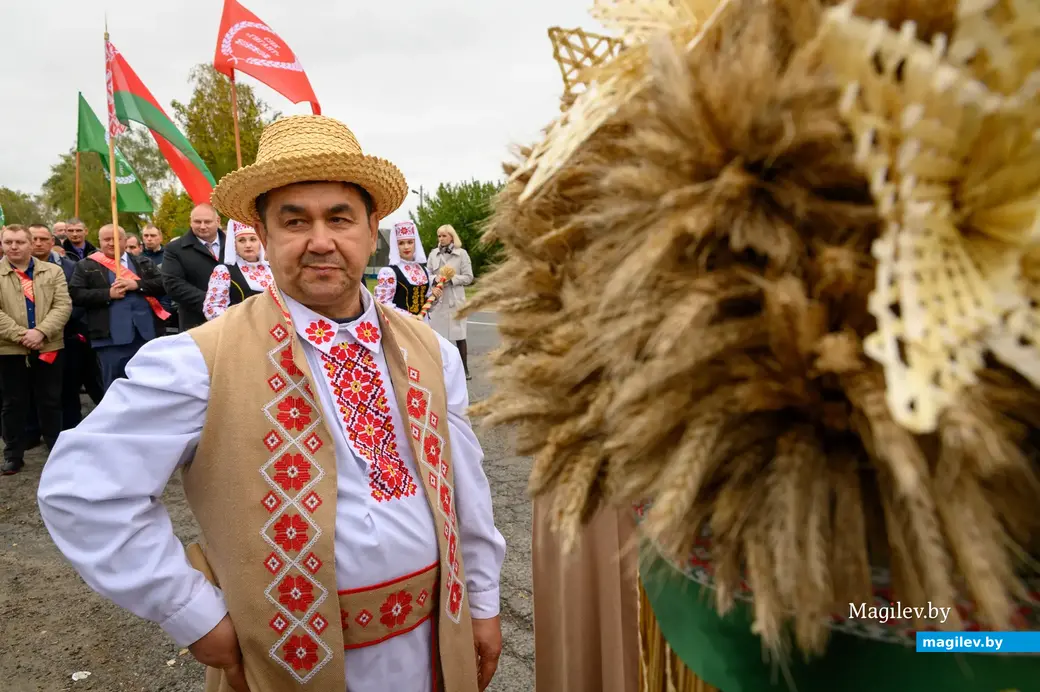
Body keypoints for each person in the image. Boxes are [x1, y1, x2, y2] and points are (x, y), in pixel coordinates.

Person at [39, 114, 506, 692]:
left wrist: (483, 600)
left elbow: (468, 492)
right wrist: (192, 613)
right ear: (262, 234)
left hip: (433, 644)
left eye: (340, 218)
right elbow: (83, 489)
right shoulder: (197, 360)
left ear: (371, 228)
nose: (320, 241)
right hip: (288, 669)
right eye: (294, 221)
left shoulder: (430, 348)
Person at [0, 225, 71, 475]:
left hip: (48, 346)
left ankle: (56, 452)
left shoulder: (53, 271)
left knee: (50, 401)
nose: (13, 247)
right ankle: (13, 455)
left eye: (19, 242)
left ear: (31, 244)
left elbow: (62, 306)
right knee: (13, 403)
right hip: (9, 350)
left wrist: (41, 332)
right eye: (8, 242)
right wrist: (22, 335)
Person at [69, 225, 168, 391]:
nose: (111, 243)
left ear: (124, 240)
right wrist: (108, 294)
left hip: (144, 335)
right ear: (99, 242)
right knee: (115, 388)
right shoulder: (86, 266)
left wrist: (136, 284)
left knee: (147, 386)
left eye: (115, 239)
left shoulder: (142, 262)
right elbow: (76, 294)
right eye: (106, 239)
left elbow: (163, 284)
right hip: (109, 338)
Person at [29, 224, 103, 428]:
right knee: (30, 390)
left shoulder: (71, 267)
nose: (38, 243)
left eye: (43, 239)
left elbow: (77, 300)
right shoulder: (16, 269)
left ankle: (70, 429)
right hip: (27, 337)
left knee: (68, 388)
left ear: (52, 242)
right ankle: (33, 433)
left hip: (67, 335)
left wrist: (55, 325)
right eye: (34, 238)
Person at [161, 204, 226, 331]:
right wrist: (212, 303)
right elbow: (173, 285)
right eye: (197, 222)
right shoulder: (174, 249)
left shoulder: (234, 244)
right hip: (196, 323)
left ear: (218, 221)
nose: (202, 226)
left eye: (207, 221)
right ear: (190, 222)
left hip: (233, 317)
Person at [426, 224, 474, 379]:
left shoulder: (462, 254)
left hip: (455, 300)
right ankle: (439, 369)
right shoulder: (433, 254)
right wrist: (435, 279)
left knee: (459, 336)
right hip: (438, 300)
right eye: (439, 236)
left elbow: (469, 277)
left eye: (444, 235)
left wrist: (451, 279)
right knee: (437, 338)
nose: (441, 238)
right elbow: (426, 274)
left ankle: (464, 369)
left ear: (452, 237)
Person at [202, 219, 274, 321]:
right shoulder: (224, 271)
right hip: (240, 331)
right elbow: (212, 309)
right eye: (242, 240)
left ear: (260, 242)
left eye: (253, 239)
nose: (248, 245)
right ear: (234, 244)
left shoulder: (272, 268)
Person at [375, 221, 431, 318]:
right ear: (396, 246)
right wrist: (410, 316)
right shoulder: (389, 272)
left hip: (423, 324)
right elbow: (382, 304)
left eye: (410, 242)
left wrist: (436, 296)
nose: (406, 247)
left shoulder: (424, 270)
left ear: (415, 243)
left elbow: (428, 303)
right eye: (401, 243)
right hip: (401, 325)